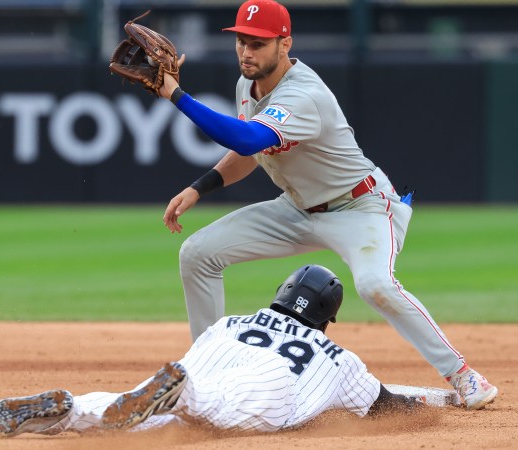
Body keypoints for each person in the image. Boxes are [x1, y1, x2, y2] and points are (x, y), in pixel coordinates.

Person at [157, 0, 497, 410]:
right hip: (297, 209)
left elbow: (245, 140)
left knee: (375, 285)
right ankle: (211, 373)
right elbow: (251, 153)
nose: (247, 52)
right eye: (242, 42)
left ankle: (464, 376)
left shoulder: (305, 94)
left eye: (258, 44)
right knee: (198, 254)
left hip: (360, 208)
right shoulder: (247, 85)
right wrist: (200, 187)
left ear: (285, 44)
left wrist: (176, 95)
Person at [0, 265, 426, 437]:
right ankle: (179, 393)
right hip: (266, 386)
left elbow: (199, 355)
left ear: (281, 295)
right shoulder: (338, 358)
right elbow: (385, 405)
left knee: (135, 416)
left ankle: (68, 410)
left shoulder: (232, 321)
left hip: (209, 363)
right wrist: (432, 404)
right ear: (329, 317)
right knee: (216, 406)